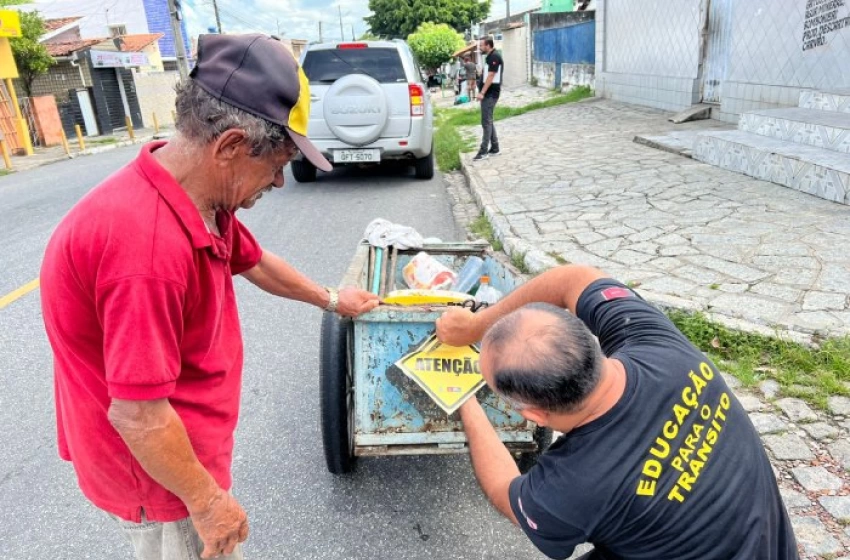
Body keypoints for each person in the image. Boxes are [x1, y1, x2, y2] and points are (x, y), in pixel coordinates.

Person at [40, 34, 380, 560]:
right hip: (162, 477)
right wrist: (207, 502)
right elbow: (139, 418)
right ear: (230, 147)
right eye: (277, 163)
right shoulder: (145, 252)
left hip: (182, 450)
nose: (280, 181)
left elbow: (256, 261)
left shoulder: (196, 197)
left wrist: (333, 299)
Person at [436, 265, 798, 559]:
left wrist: (464, 398)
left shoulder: (572, 488)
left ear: (535, 415)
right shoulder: (660, 346)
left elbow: (504, 491)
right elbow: (571, 279)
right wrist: (475, 327)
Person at [472, 37, 504, 161]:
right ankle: (495, 148)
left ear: (488, 45)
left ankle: (483, 151)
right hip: (488, 93)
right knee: (488, 121)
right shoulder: (490, 57)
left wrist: (482, 92)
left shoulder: (495, 57)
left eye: (481, 45)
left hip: (490, 94)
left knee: (486, 122)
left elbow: (491, 75)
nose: (480, 47)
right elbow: (487, 74)